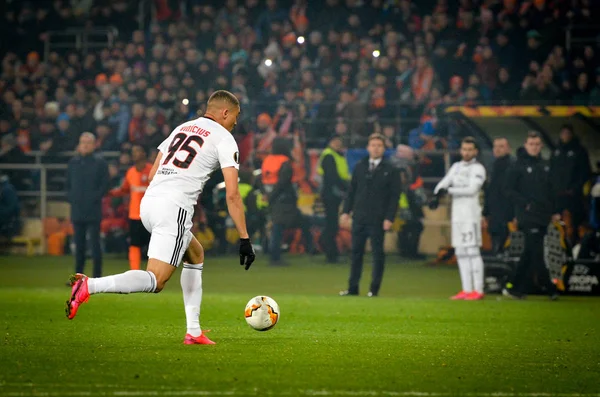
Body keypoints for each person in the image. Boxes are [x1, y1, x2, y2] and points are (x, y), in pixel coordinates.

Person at [65, 91, 256, 346]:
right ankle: (90, 286)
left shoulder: (182, 128)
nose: (236, 122)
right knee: (156, 280)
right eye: (235, 116)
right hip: (173, 208)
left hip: (149, 203)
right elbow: (232, 194)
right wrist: (244, 238)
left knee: (195, 254)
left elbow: (154, 172)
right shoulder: (225, 138)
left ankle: (194, 332)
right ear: (224, 112)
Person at [339, 133, 401, 297]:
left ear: (384, 149)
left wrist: (389, 217)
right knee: (356, 254)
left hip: (378, 219)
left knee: (377, 255)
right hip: (359, 217)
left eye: (379, 145)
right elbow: (351, 191)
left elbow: (394, 197)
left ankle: (374, 289)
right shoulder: (360, 166)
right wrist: (346, 211)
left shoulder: (391, 169)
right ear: (368, 148)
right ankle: (353, 288)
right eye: (373, 145)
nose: (376, 148)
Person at [503, 131, 559, 300]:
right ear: (525, 145)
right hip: (527, 216)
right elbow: (507, 189)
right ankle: (549, 287)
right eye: (531, 144)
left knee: (529, 253)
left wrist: (554, 211)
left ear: (541, 146)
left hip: (543, 215)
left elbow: (551, 190)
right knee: (536, 252)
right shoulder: (517, 165)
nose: (534, 147)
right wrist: (524, 203)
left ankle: (512, 286)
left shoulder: (545, 165)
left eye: (537, 144)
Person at [432, 137, 487, 300]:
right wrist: (437, 193)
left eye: (470, 149)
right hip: (457, 216)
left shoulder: (478, 169)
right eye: (464, 149)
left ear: (475, 151)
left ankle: (478, 289)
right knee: (461, 252)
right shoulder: (456, 167)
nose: (466, 152)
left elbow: (472, 190)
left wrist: (448, 191)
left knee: (473, 251)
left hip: (471, 216)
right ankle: (466, 289)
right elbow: (443, 183)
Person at [261, 137, 313, 266]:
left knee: (282, 226)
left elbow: (260, 178)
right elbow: (283, 182)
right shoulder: (285, 162)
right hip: (284, 200)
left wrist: (268, 195)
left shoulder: (267, 160)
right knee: (280, 227)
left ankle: (310, 248)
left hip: (272, 197)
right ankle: (275, 257)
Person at [66, 133, 110, 278]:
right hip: (77, 209)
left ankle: (97, 277)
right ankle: (78, 277)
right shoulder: (73, 163)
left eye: (88, 142)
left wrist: (94, 198)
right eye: (82, 142)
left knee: (94, 245)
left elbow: (105, 185)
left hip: (93, 209)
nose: (84, 145)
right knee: (79, 245)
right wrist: (72, 198)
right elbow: (68, 184)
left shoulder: (100, 163)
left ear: (94, 145)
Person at [108, 144, 153, 270]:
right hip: (134, 215)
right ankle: (135, 271)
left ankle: (154, 273)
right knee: (134, 244)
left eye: (137, 151)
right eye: (133, 152)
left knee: (153, 245)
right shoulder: (131, 172)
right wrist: (110, 192)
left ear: (144, 154)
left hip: (151, 215)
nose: (134, 154)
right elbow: (124, 189)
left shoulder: (152, 171)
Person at [550, 124, 591, 243]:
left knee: (571, 224)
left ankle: (572, 246)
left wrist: (575, 189)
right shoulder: (556, 151)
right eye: (563, 133)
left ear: (572, 135)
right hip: (557, 196)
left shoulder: (580, 151)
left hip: (573, 197)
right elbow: (551, 172)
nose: (565, 136)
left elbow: (584, 173)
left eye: (567, 133)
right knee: (557, 223)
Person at [317, 136, 350, 264]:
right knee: (332, 224)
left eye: (339, 142)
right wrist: (347, 187)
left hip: (333, 193)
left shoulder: (335, 155)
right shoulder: (329, 156)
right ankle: (331, 254)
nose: (338, 144)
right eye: (335, 141)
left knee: (332, 223)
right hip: (332, 193)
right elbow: (333, 177)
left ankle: (331, 251)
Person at [483, 137, 514, 254]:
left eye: (501, 146)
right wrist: (485, 213)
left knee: (505, 245)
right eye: (495, 146)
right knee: (495, 243)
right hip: (494, 213)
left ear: (508, 149)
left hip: (507, 213)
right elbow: (489, 191)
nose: (497, 149)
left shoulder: (512, 166)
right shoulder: (492, 166)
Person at [0, 174, 20, 239]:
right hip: (12, 217)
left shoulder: (5, 190)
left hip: (8, 217)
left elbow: (10, 207)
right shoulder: (11, 188)